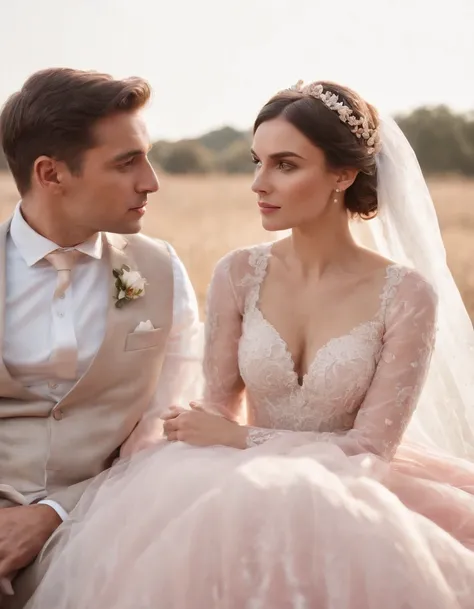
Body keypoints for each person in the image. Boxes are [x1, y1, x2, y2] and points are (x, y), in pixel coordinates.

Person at [24, 80, 474, 609]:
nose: (260, 182)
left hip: (356, 493)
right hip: (236, 487)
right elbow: (218, 405)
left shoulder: (407, 295)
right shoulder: (239, 273)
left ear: (343, 175)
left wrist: (239, 439)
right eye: (256, 162)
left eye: (285, 164)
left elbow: (370, 451)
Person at [0, 68, 201, 608]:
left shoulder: (161, 270)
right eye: (126, 161)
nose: (151, 181)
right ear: (50, 173)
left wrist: (56, 512)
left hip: (109, 519)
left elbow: (171, 418)